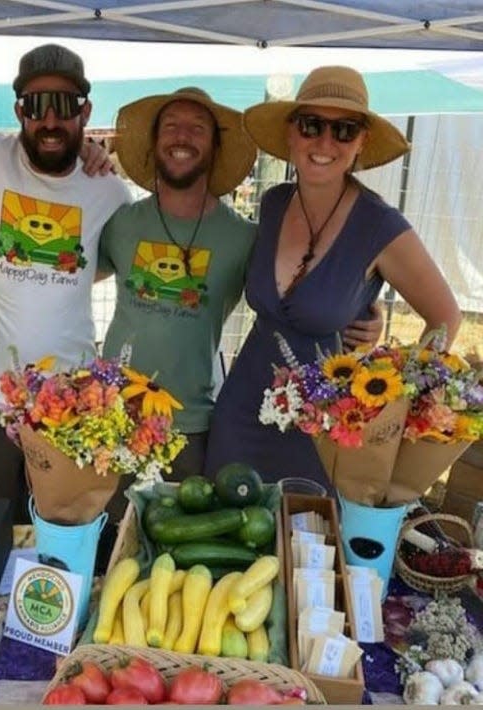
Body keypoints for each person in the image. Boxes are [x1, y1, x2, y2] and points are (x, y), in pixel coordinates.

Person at [204, 65, 462, 490]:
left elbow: (446, 319)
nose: (325, 142)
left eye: (344, 130)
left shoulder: (379, 226)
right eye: (311, 125)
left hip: (323, 433)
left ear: (361, 142)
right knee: (218, 544)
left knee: (306, 548)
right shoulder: (273, 203)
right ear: (291, 133)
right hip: (241, 414)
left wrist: (390, 392)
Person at [0, 44, 131, 523]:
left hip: (74, 399)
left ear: (86, 111)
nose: (51, 120)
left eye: (65, 105)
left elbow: (102, 266)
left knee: (66, 536)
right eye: (38, 106)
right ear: (19, 110)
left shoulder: (110, 192)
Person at [98, 87, 258, 480]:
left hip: (191, 426)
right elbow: (65, 280)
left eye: (197, 128)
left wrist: (364, 313)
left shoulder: (245, 238)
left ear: (216, 147)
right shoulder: (120, 222)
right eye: (170, 126)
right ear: (154, 145)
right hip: (113, 419)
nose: (181, 137)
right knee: (109, 537)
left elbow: (286, 301)